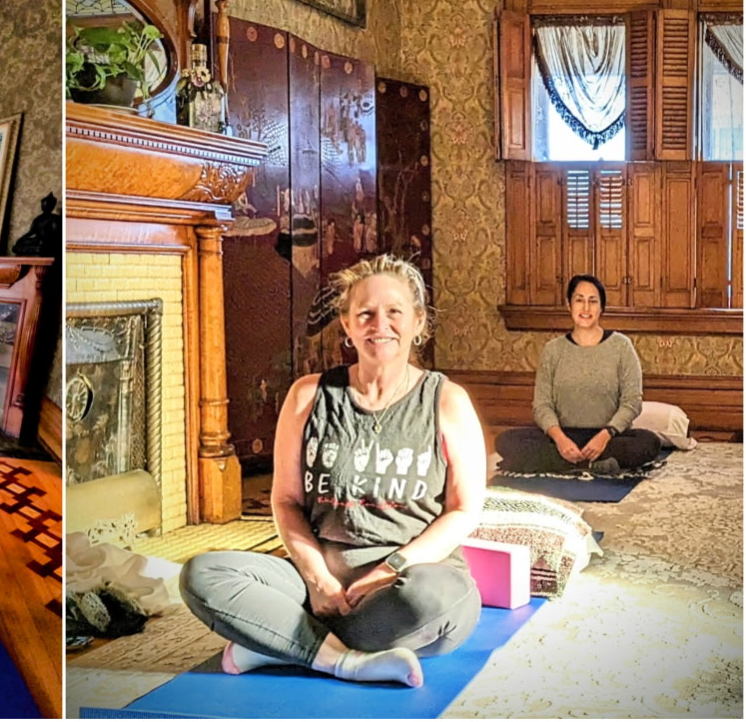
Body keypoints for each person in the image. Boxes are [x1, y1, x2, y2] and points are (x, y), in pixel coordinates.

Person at [180, 255, 486, 688]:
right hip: (320, 586)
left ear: (418, 321)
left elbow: (464, 510)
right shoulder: (308, 396)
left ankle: (283, 642)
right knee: (203, 574)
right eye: (365, 313)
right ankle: (344, 660)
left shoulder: (446, 400)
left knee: (436, 602)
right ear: (346, 324)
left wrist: (392, 567)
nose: (380, 324)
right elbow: (285, 501)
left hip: (409, 579)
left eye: (394, 312)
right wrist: (317, 576)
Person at [493, 275, 664, 475]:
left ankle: (567, 463)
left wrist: (605, 435)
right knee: (506, 441)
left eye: (593, 301)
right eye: (579, 300)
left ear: (602, 307)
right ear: (569, 305)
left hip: (609, 437)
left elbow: (632, 402)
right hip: (563, 436)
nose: (585, 308)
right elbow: (542, 405)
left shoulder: (621, 346)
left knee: (649, 442)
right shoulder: (553, 350)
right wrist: (560, 440)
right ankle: (590, 464)